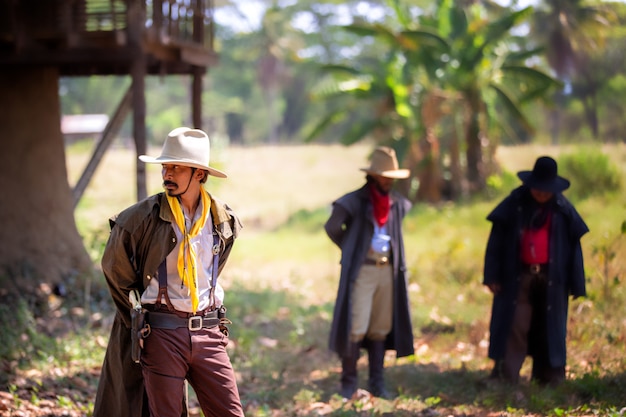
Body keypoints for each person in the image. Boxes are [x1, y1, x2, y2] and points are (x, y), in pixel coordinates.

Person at [93, 127, 244, 417]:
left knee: (230, 412)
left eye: (176, 167)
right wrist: (138, 320)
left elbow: (213, 269)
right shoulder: (139, 218)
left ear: (199, 174)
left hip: (209, 332)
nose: (167, 174)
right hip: (162, 331)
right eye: (165, 166)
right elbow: (114, 270)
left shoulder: (222, 218)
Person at [483, 155, 589, 386]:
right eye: (537, 188)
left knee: (549, 327)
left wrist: (577, 283)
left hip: (552, 279)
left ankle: (549, 377)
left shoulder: (562, 210)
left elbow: (574, 249)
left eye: (546, 189)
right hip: (517, 277)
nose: (541, 193)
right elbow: (496, 242)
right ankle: (505, 375)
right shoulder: (514, 204)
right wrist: (491, 275)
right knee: (515, 324)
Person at [324, 146, 415, 399]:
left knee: (381, 326)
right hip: (363, 269)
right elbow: (332, 227)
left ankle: (377, 382)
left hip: (387, 270)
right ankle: (348, 384)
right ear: (373, 175)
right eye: (384, 175)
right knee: (356, 324)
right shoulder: (354, 201)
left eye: (391, 177)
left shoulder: (396, 204)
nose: (388, 181)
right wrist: (352, 247)